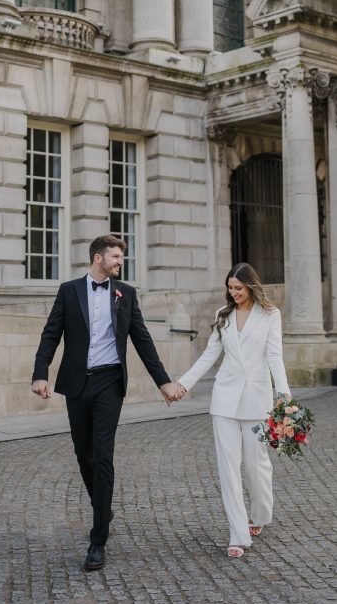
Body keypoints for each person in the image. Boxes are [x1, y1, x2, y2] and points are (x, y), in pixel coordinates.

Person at [31, 234, 183, 572]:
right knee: (82, 453)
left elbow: (142, 339)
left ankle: (97, 540)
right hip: (76, 383)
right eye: (115, 256)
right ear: (98, 258)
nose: (120, 261)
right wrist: (40, 374)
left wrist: (163, 382)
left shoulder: (125, 293)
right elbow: (51, 333)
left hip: (109, 383)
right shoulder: (69, 291)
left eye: (120, 257)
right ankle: (103, 505)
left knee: (102, 455)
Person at [177, 263, 291, 558]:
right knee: (228, 468)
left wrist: (283, 393)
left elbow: (275, 356)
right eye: (230, 288)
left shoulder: (270, 315)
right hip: (225, 398)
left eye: (238, 288)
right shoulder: (223, 316)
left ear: (251, 286)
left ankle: (260, 514)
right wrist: (182, 384)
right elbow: (208, 356)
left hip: (257, 399)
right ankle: (237, 534)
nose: (234, 293)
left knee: (256, 465)